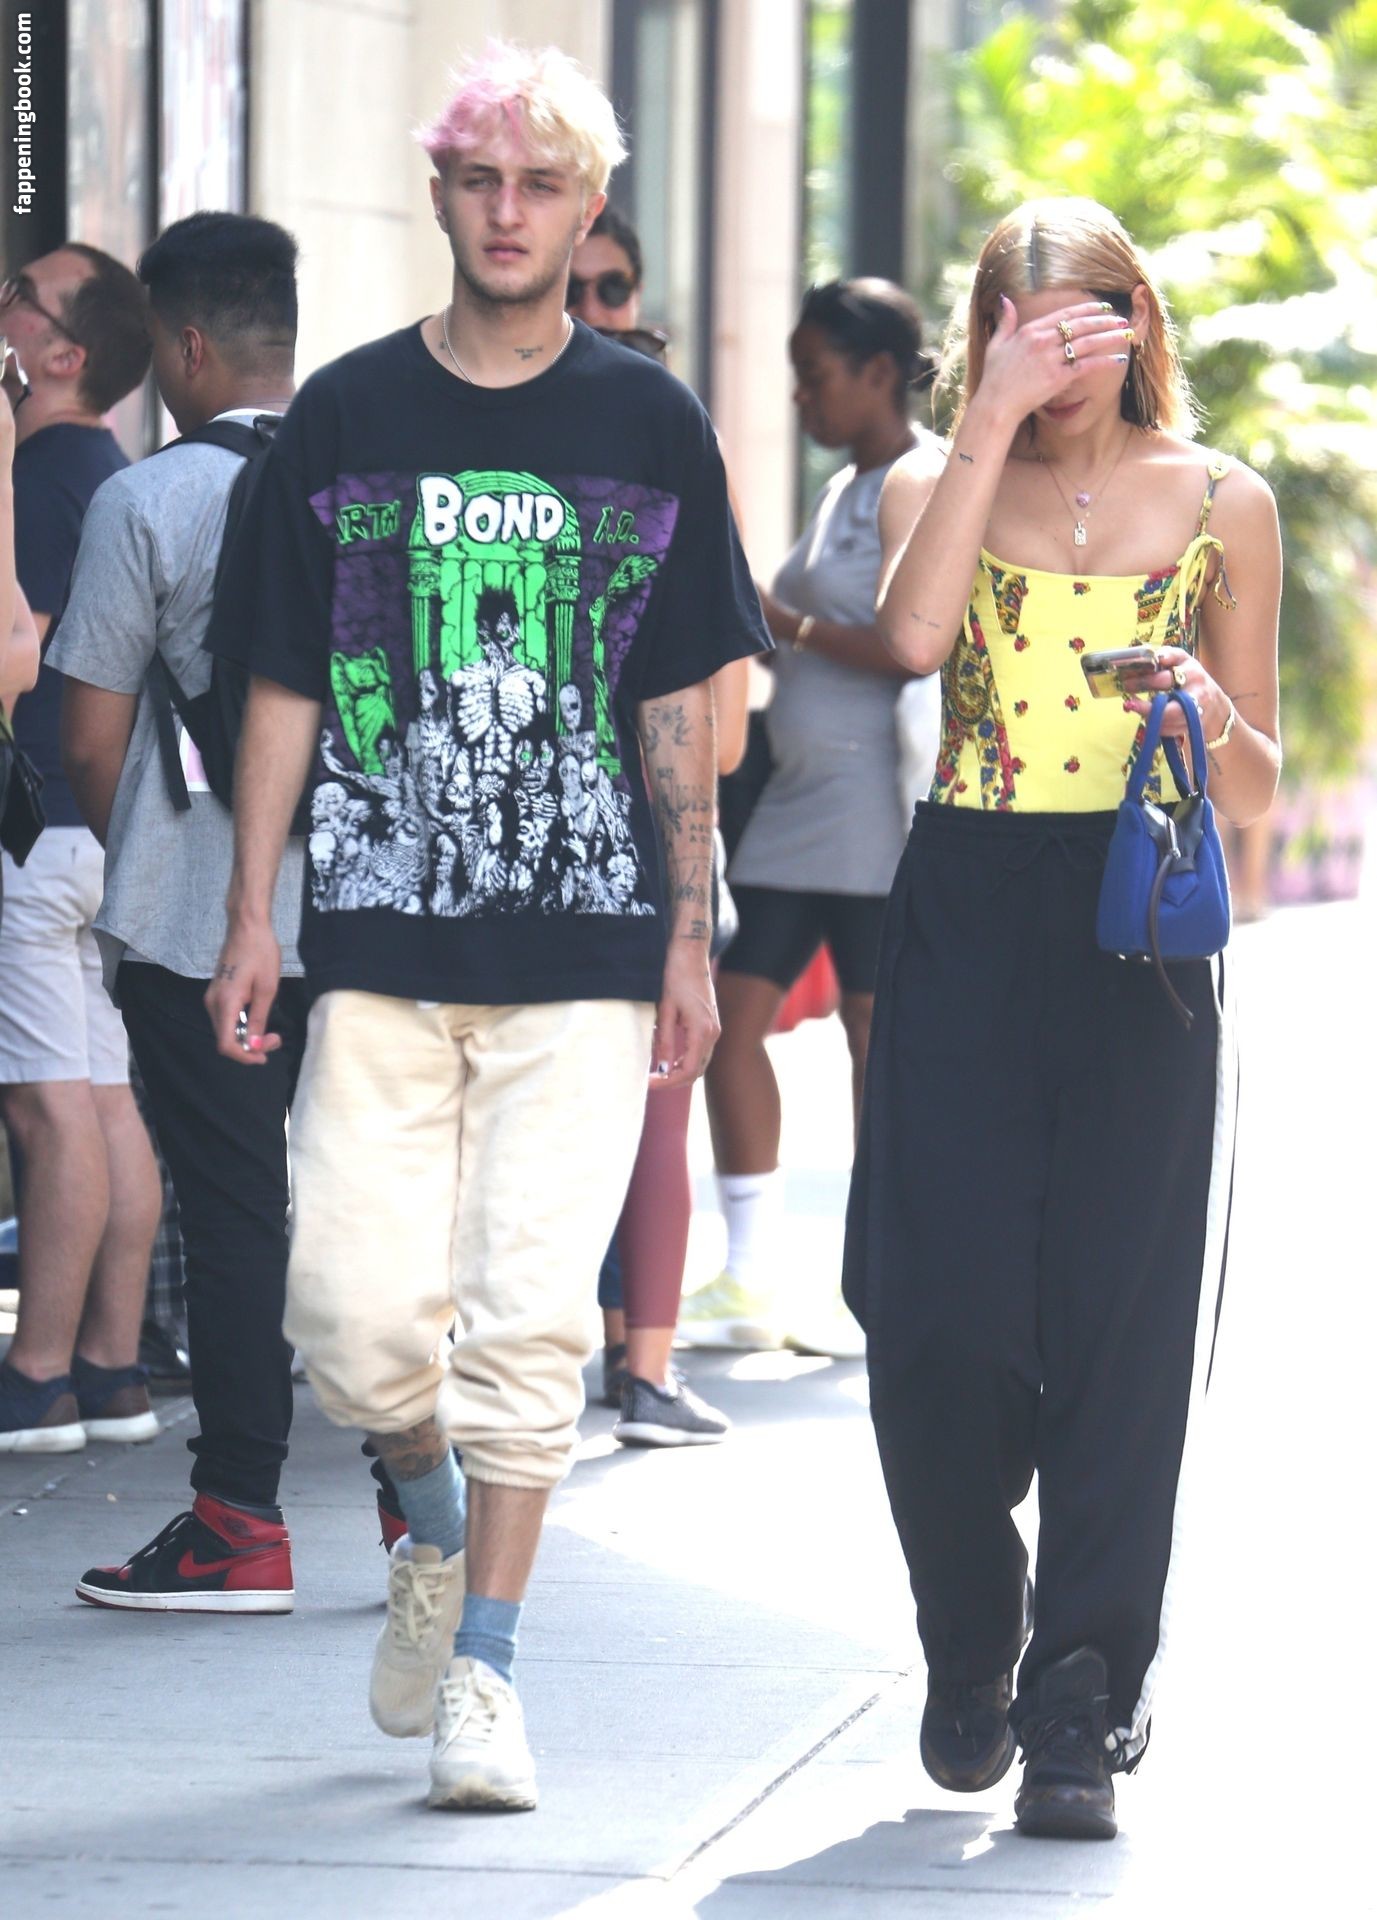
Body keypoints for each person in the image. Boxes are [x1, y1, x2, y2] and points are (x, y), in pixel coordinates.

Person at [202, 40, 768, 1811]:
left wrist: (687, 935)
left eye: (540, 185)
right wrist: (252, 911)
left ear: (587, 207)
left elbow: (679, 705)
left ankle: (488, 1679)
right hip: (379, 936)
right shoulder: (346, 414)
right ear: (439, 194)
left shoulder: (649, 423)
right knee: (346, 1316)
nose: (508, 212)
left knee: (529, 1329)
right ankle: (430, 1522)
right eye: (480, 181)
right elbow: (282, 678)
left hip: (586, 949)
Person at [844, 198, 1282, 1840]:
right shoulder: (933, 482)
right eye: (1026, 330)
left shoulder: (1224, 502)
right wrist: (990, 418)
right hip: (966, 898)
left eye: (1090, 323)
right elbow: (909, 640)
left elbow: (1260, 786)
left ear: (1138, 322)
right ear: (983, 338)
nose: (1063, 358)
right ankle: (973, 1635)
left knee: (1121, 1323)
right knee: (931, 1313)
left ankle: (1083, 1694)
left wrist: (1209, 707)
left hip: (1140, 911)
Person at [46, 212, 320, 1609]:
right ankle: (419, 1509)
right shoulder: (367, 482)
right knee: (372, 1200)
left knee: (235, 1208)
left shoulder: (145, 501)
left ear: (190, 346)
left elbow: (90, 739)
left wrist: (143, 862)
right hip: (366, 910)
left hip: (199, 923)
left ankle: (239, 1521)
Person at [683, 278, 940, 1357]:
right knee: (723, 1021)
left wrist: (783, 622)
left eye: (815, 375)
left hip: (875, 810)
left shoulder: (922, 480)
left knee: (876, 1040)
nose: (799, 397)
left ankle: (880, 1284)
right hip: (797, 808)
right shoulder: (847, 485)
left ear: (879, 372)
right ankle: (749, 1272)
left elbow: (917, 644)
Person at [567, 207, 751, 1446]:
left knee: (650, 1114)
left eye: (612, 286)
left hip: (649, 847)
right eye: (578, 287)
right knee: (599, 1118)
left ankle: (638, 1365)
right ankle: (625, 1363)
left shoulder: (681, 455)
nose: (592, 308)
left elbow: (721, 740)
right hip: (567, 845)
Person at [0, 246, 161, 1456]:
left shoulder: (45, 472)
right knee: (100, 1099)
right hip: (96, 829)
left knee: (48, 1107)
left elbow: (18, 649)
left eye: (21, 294)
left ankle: (39, 1377)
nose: (2, 297)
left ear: (62, 354)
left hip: (37, 827)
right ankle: (111, 1370)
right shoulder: (109, 471)